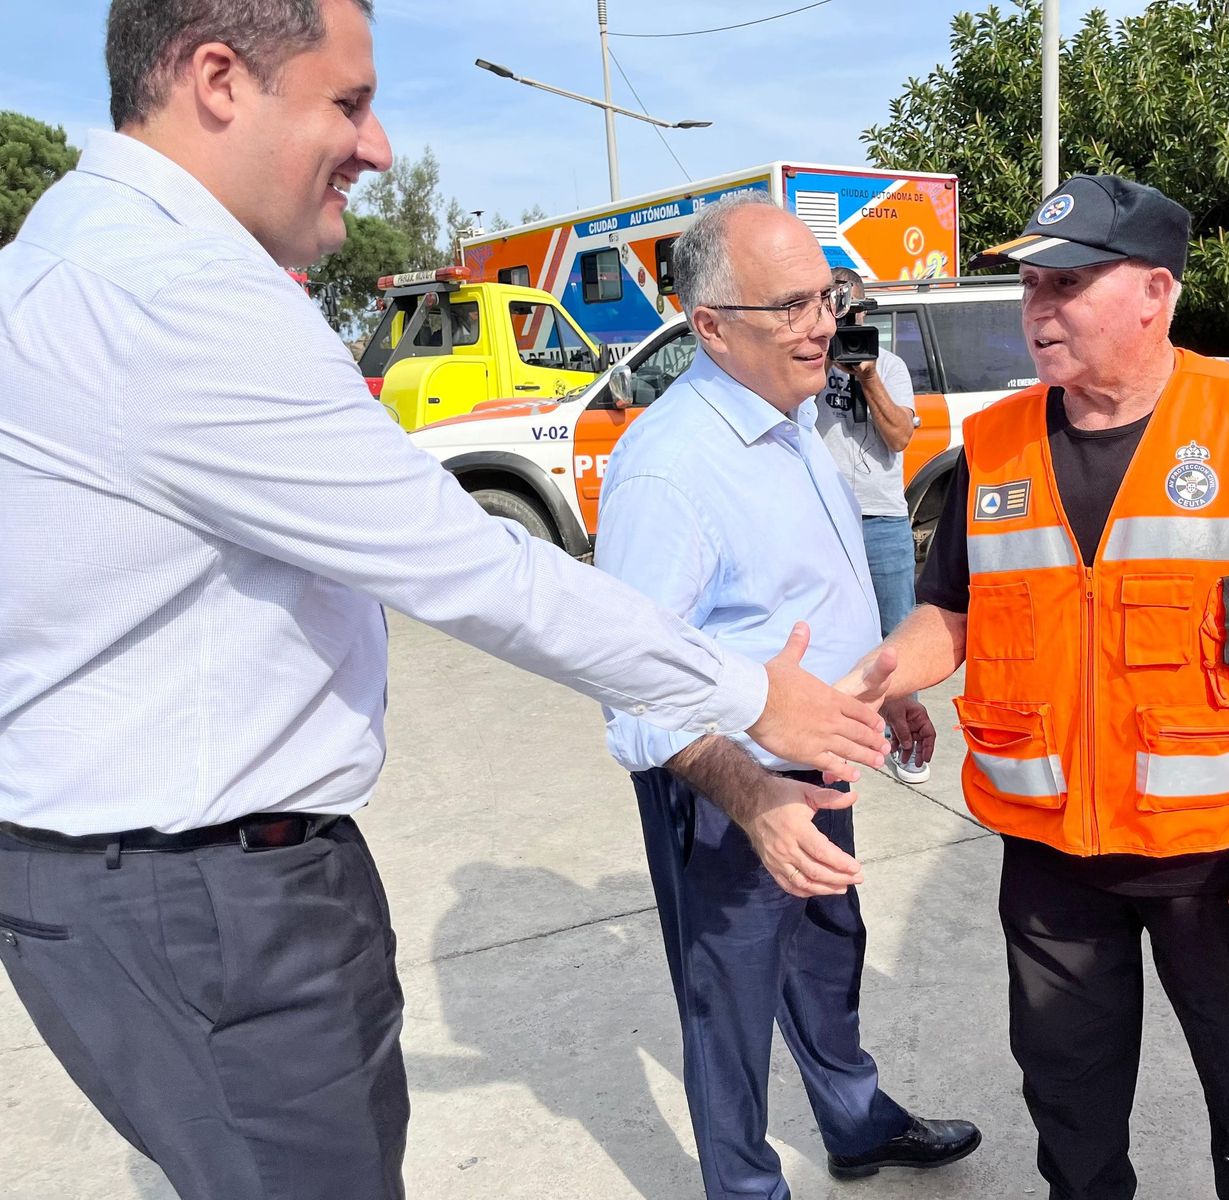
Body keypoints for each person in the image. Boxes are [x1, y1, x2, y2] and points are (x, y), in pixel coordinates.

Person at [0, 3, 890, 1197]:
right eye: (348, 103)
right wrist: (748, 695)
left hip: (145, 886)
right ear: (218, 79)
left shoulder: (63, 254)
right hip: (205, 902)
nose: (375, 148)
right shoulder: (180, 296)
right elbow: (474, 569)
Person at [840, 174, 1229, 1200]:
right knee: (1073, 1130)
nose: (1037, 309)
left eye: (1068, 284)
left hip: (1227, 864)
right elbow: (951, 611)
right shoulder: (993, 445)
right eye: (1029, 286)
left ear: (1154, 293)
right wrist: (876, 676)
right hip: (1053, 864)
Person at [595, 193, 981, 1199]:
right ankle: (745, 1186)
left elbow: (810, 593)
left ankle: (854, 1126)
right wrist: (751, 794)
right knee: (729, 997)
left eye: (828, 296)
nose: (822, 323)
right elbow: (633, 693)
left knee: (824, 951)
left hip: (821, 757)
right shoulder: (668, 471)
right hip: (726, 786)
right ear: (712, 325)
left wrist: (878, 693)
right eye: (793, 306)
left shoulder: (795, 415)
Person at [810, 266, 931, 784]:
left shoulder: (893, 368)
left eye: (857, 314)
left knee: (897, 633)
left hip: (881, 515)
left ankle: (903, 737)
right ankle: (847, 733)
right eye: (841, 314)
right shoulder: (808, 367)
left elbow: (900, 436)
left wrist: (868, 374)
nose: (851, 325)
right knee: (823, 627)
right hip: (820, 514)